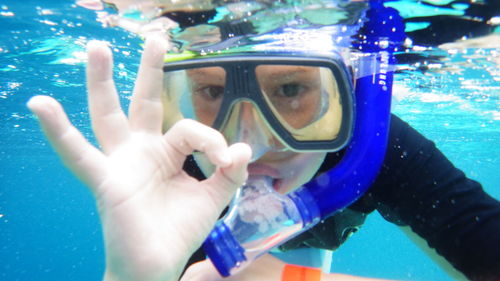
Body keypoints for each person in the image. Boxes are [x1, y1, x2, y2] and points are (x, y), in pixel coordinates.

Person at [28, 9, 500, 281]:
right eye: (213, 92)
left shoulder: (378, 143)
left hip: (327, 227)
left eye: (291, 90)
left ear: (348, 93)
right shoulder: (177, 166)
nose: (247, 147)